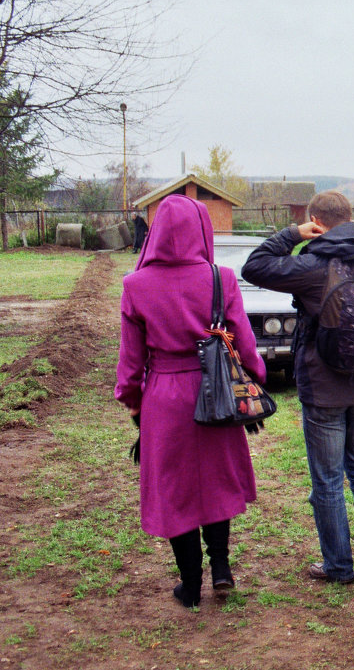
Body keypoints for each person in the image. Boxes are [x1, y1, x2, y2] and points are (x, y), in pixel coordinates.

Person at [241, 191, 354, 584]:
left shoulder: (312, 265)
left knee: (329, 479)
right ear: (353, 218)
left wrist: (292, 233)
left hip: (323, 386)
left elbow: (255, 266)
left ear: (315, 221)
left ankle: (338, 565)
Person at [115, 195, 265, 608]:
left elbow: (130, 361)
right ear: (202, 229)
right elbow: (245, 345)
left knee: (175, 488)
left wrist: (132, 402)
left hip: (163, 398)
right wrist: (255, 381)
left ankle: (190, 583)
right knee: (215, 480)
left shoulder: (135, 285)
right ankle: (221, 569)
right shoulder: (221, 278)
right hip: (216, 391)